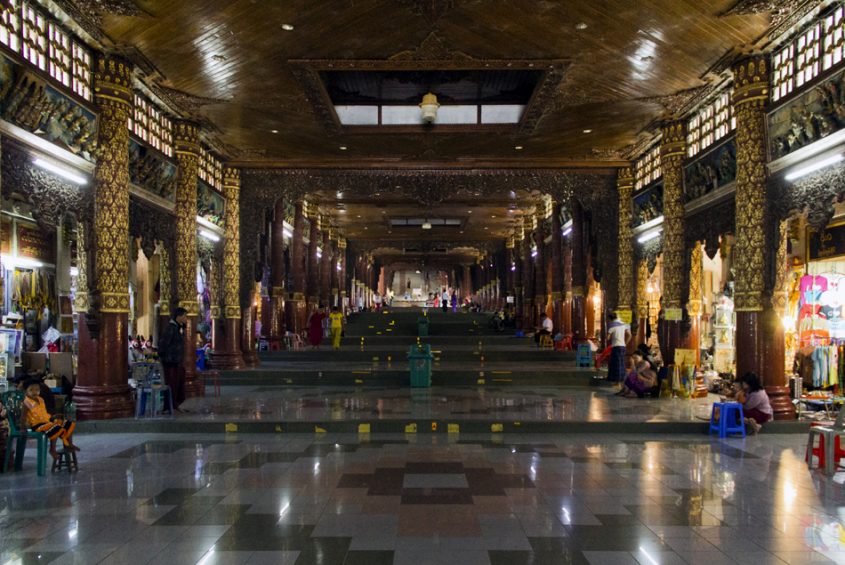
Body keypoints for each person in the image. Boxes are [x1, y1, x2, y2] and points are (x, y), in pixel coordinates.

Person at [21, 379, 78, 459]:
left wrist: (52, 417)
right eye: (31, 390)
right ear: (25, 391)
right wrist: (23, 428)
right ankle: (52, 449)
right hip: (37, 425)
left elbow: (44, 413)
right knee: (55, 428)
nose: (35, 392)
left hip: (46, 421)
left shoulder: (41, 400)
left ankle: (69, 444)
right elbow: (23, 417)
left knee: (67, 424)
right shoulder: (26, 403)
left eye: (37, 390)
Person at [158, 307, 187, 411]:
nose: (186, 318)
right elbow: (163, 345)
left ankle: (174, 405)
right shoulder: (170, 328)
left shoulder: (178, 328)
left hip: (176, 362)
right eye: (184, 316)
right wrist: (167, 358)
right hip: (170, 363)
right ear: (178, 316)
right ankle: (169, 406)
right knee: (171, 385)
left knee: (178, 385)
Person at [607, 313, 632, 384]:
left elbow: (608, 338)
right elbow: (629, 335)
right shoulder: (623, 324)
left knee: (616, 364)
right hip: (622, 346)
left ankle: (617, 381)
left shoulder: (612, 325)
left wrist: (610, 336)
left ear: (611, 319)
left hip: (616, 346)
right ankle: (622, 380)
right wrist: (625, 343)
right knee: (621, 363)